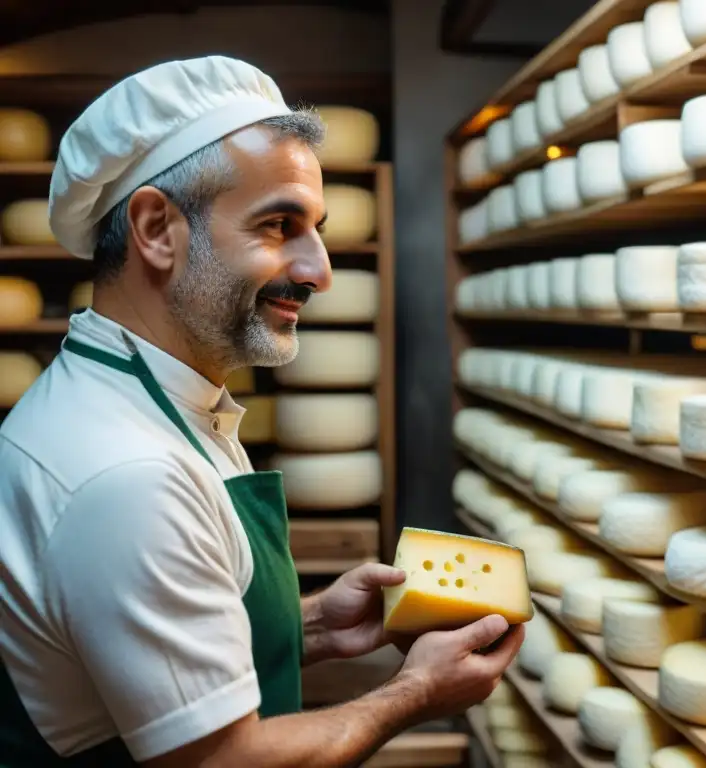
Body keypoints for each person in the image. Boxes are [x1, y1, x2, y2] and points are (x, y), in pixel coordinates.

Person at [0, 55, 524, 767]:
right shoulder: (126, 475)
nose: (320, 270)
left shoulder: (147, 399)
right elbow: (225, 759)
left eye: (318, 228)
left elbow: (140, 660)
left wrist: (307, 628)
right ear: (156, 229)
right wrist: (414, 691)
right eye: (279, 226)